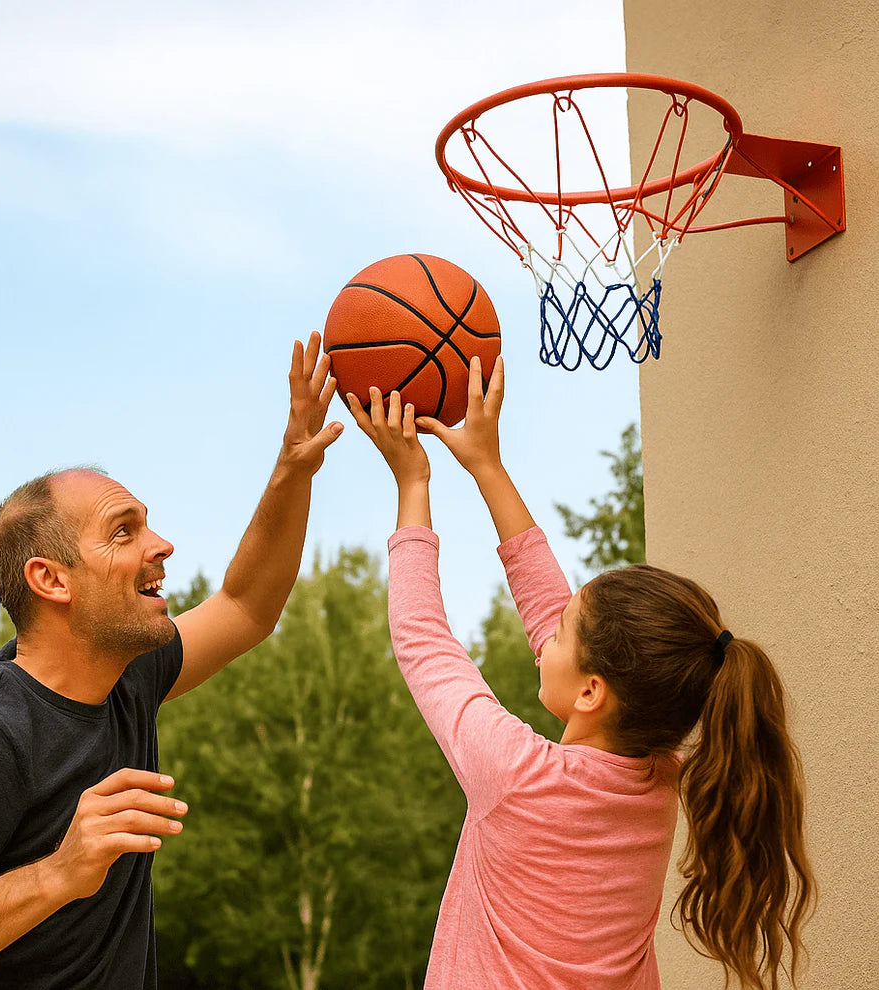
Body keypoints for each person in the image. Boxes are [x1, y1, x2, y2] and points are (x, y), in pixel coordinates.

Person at [344, 355, 815, 990]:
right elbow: (551, 620)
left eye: (565, 630)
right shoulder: (658, 782)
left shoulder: (514, 776)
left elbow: (423, 639)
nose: (550, 629)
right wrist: (487, 465)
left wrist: (413, 483)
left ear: (592, 691)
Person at [0, 333, 343, 990]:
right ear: (52, 580)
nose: (162, 545)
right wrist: (57, 875)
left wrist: (292, 468)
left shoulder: (128, 676)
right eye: (124, 530)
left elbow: (247, 606)